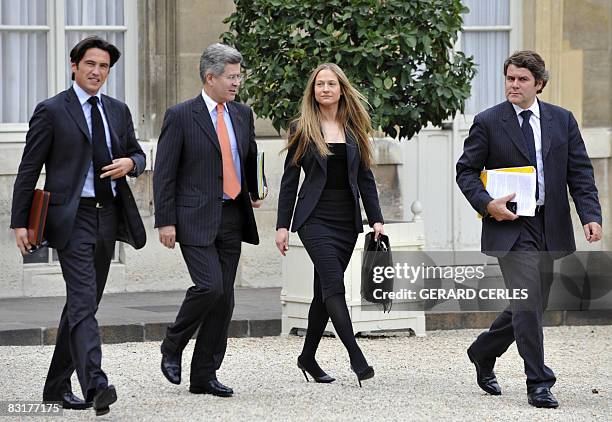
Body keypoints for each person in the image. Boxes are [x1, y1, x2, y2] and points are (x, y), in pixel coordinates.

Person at [456, 50, 602, 408]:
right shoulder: (489, 121)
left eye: (522, 79)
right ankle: (539, 382)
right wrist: (488, 204)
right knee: (527, 302)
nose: (514, 85)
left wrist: (590, 214)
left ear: (539, 83)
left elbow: (579, 172)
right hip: (509, 227)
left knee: (532, 304)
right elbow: (466, 171)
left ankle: (484, 350)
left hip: (549, 226)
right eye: (509, 78)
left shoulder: (562, 120)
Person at [10, 36, 147, 416]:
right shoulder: (52, 110)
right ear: (74, 66)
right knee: (84, 302)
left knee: (81, 305)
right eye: (91, 64)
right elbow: (28, 168)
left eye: (104, 66)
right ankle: (96, 385)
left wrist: (131, 164)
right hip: (72, 218)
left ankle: (55, 388)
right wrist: (20, 222)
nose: (97, 72)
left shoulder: (118, 111)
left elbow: (137, 151)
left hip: (109, 216)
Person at [153, 43, 262, 398]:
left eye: (239, 77)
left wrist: (255, 189)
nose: (237, 83)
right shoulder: (181, 115)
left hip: (232, 215)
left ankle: (204, 374)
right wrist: (165, 221)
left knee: (225, 299)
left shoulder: (242, 114)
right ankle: (173, 343)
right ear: (210, 77)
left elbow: (248, 158)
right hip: (194, 218)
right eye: (231, 77)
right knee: (209, 287)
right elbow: (164, 173)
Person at [275, 63, 384, 387]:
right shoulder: (302, 127)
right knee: (334, 283)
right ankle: (355, 356)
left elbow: (365, 178)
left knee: (323, 291)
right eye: (319, 84)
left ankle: (307, 357)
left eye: (331, 84)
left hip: (346, 221)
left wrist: (376, 218)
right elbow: (289, 181)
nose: (325, 89)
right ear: (313, 90)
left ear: (341, 89)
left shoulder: (354, 127)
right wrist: (282, 226)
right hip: (314, 219)